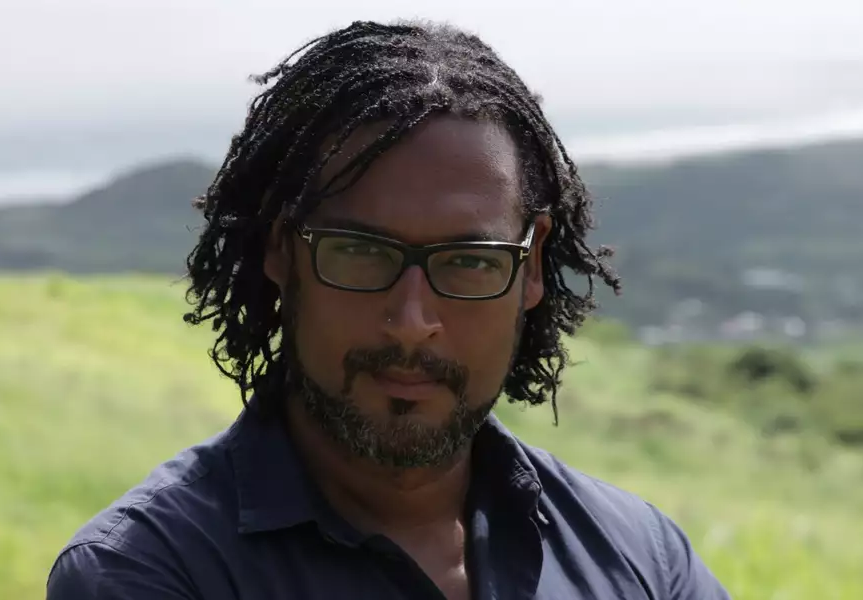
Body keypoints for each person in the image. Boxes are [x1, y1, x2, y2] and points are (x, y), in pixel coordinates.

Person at [46, 19, 730, 600]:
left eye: (468, 261)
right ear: (282, 250)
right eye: (361, 253)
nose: (411, 322)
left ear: (531, 268)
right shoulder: (146, 572)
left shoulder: (641, 560)